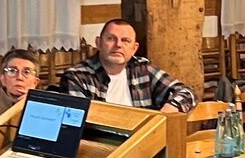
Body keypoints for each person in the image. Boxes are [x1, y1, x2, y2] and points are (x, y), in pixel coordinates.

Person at [58, 19, 196, 111]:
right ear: (98, 43)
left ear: (134, 48)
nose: (118, 45)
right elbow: (78, 120)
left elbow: (188, 93)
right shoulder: (77, 76)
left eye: (125, 41)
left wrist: (171, 107)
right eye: (111, 39)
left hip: (143, 142)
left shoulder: (142, 69)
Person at [0, 48, 39, 128]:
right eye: (12, 71)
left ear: (35, 83)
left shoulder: (45, 113)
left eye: (26, 72)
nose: (19, 77)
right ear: (3, 79)